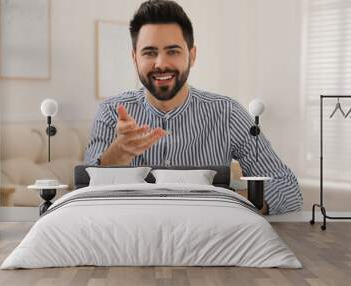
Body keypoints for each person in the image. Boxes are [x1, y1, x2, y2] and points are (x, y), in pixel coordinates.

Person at [85, 0, 302, 215]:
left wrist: (219, 203)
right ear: (134, 58)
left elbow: (287, 188)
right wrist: (119, 153)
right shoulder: (111, 112)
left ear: (192, 55)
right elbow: (84, 195)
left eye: (173, 51)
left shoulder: (228, 113)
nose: (160, 63)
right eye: (149, 52)